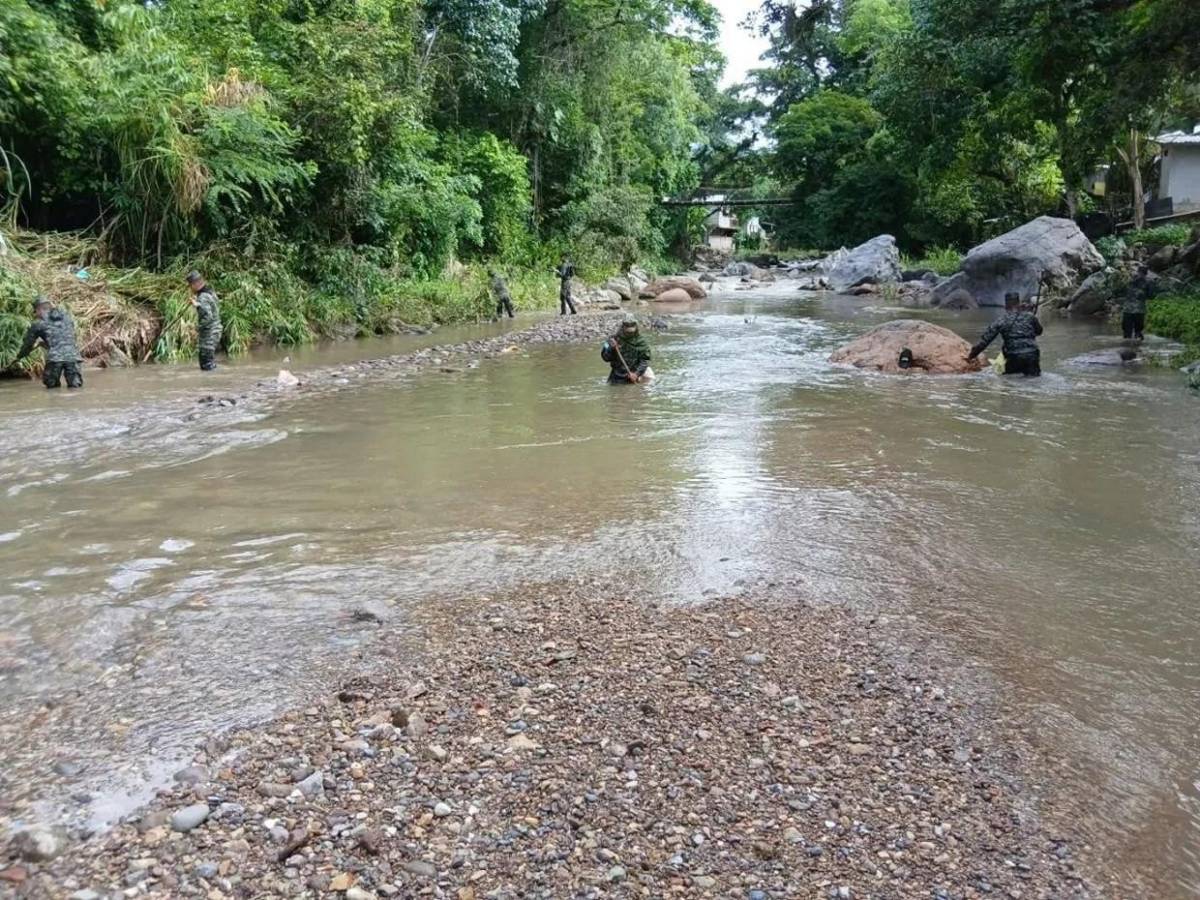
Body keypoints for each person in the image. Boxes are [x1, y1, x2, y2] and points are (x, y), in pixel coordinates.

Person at [9, 295, 83, 388]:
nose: (36, 315)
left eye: (35, 312)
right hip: (74, 357)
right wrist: (45, 344)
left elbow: (27, 346)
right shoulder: (67, 317)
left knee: (51, 386)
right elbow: (65, 337)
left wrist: (18, 357)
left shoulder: (38, 324)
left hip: (54, 358)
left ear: (39, 309)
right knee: (75, 387)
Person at [968, 291, 1044, 377]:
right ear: (1019, 303)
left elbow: (984, 342)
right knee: (1033, 380)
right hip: (1032, 355)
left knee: (1011, 382)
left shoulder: (1001, 321)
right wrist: (1031, 315)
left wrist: (970, 356)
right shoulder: (1030, 317)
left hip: (1014, 357)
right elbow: (1039, 331)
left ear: (1006, 306)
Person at [601, 313, 652, 384]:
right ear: (623, 327)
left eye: (631, 332)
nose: (629, 334)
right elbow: (605, 358)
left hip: (633, 375)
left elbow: (644, 361)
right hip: (616, 376)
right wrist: (611, 348)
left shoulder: (641, 341)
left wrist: (636, 374)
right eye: (627, 331)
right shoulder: (613, 339)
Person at [187, 271, 222, 371]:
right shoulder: (210, 292)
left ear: (195, 284)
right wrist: (197, 304)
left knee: (206, 364)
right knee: (209, 363)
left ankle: (211, 385)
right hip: (215, 332)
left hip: (209, 335)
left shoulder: (202, 297)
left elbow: (207, 317)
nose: (191, 289)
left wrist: (197, 329)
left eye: (190, 286)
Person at [1122, 264, 1157, 342]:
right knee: (1138, 333)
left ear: (1138, 271)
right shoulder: (1149, 281)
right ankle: (1138, 349)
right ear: (1146, 273)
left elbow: (1123, 290)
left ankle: (1126, 348)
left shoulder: (1130, 279)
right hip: (1139, 310)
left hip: (1128, 309)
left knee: (1127, 333)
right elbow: (1151, 296)